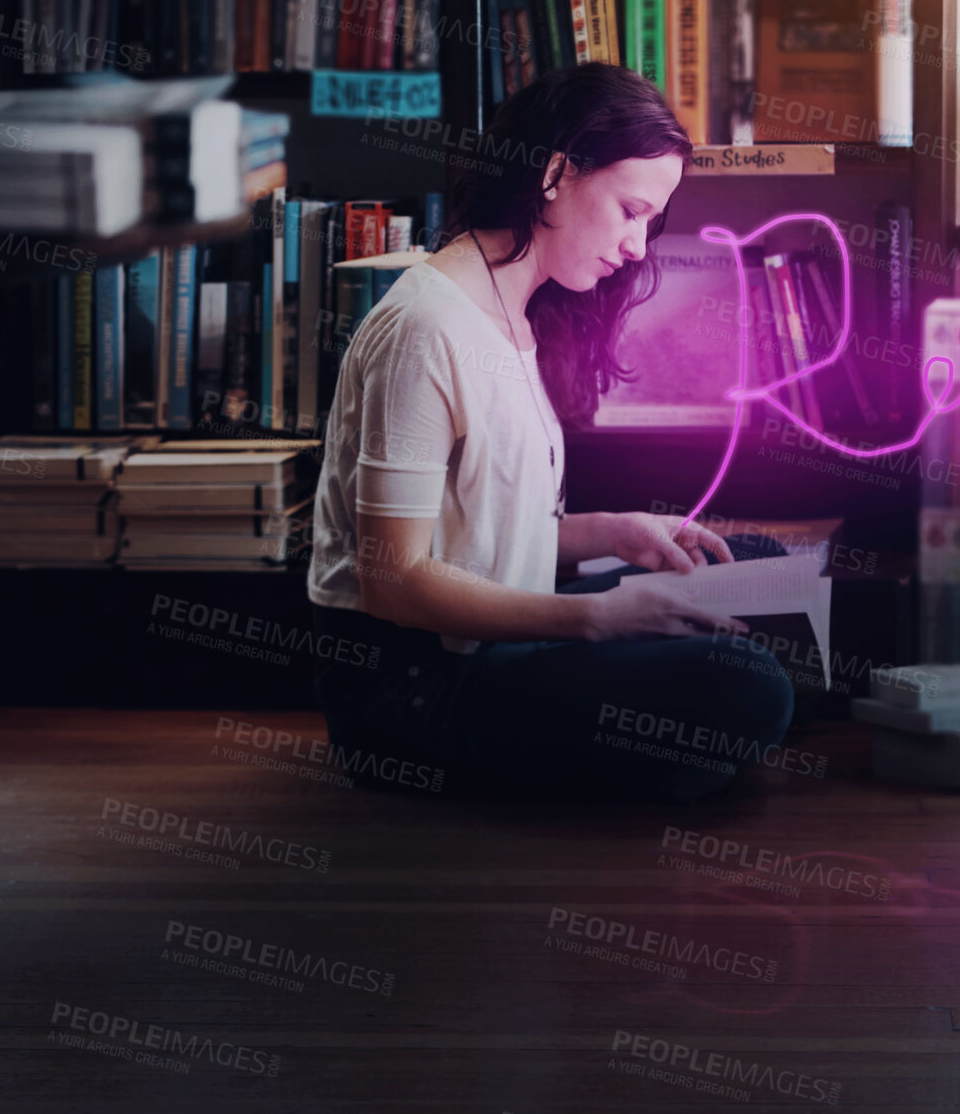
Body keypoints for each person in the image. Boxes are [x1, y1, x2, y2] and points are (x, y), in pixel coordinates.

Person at [307, 63, 794, 800]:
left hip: (506, 631)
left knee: (763, 565)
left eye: (649, 222)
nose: (638, 246)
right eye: (631, 210)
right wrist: (597, 617)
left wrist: (613, 532)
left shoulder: (514, 314)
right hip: (416, 688)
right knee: (752, 682)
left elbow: (476, 529)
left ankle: (678, 750)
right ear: (557, 173)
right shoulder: (426, 329)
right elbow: (394, 578)